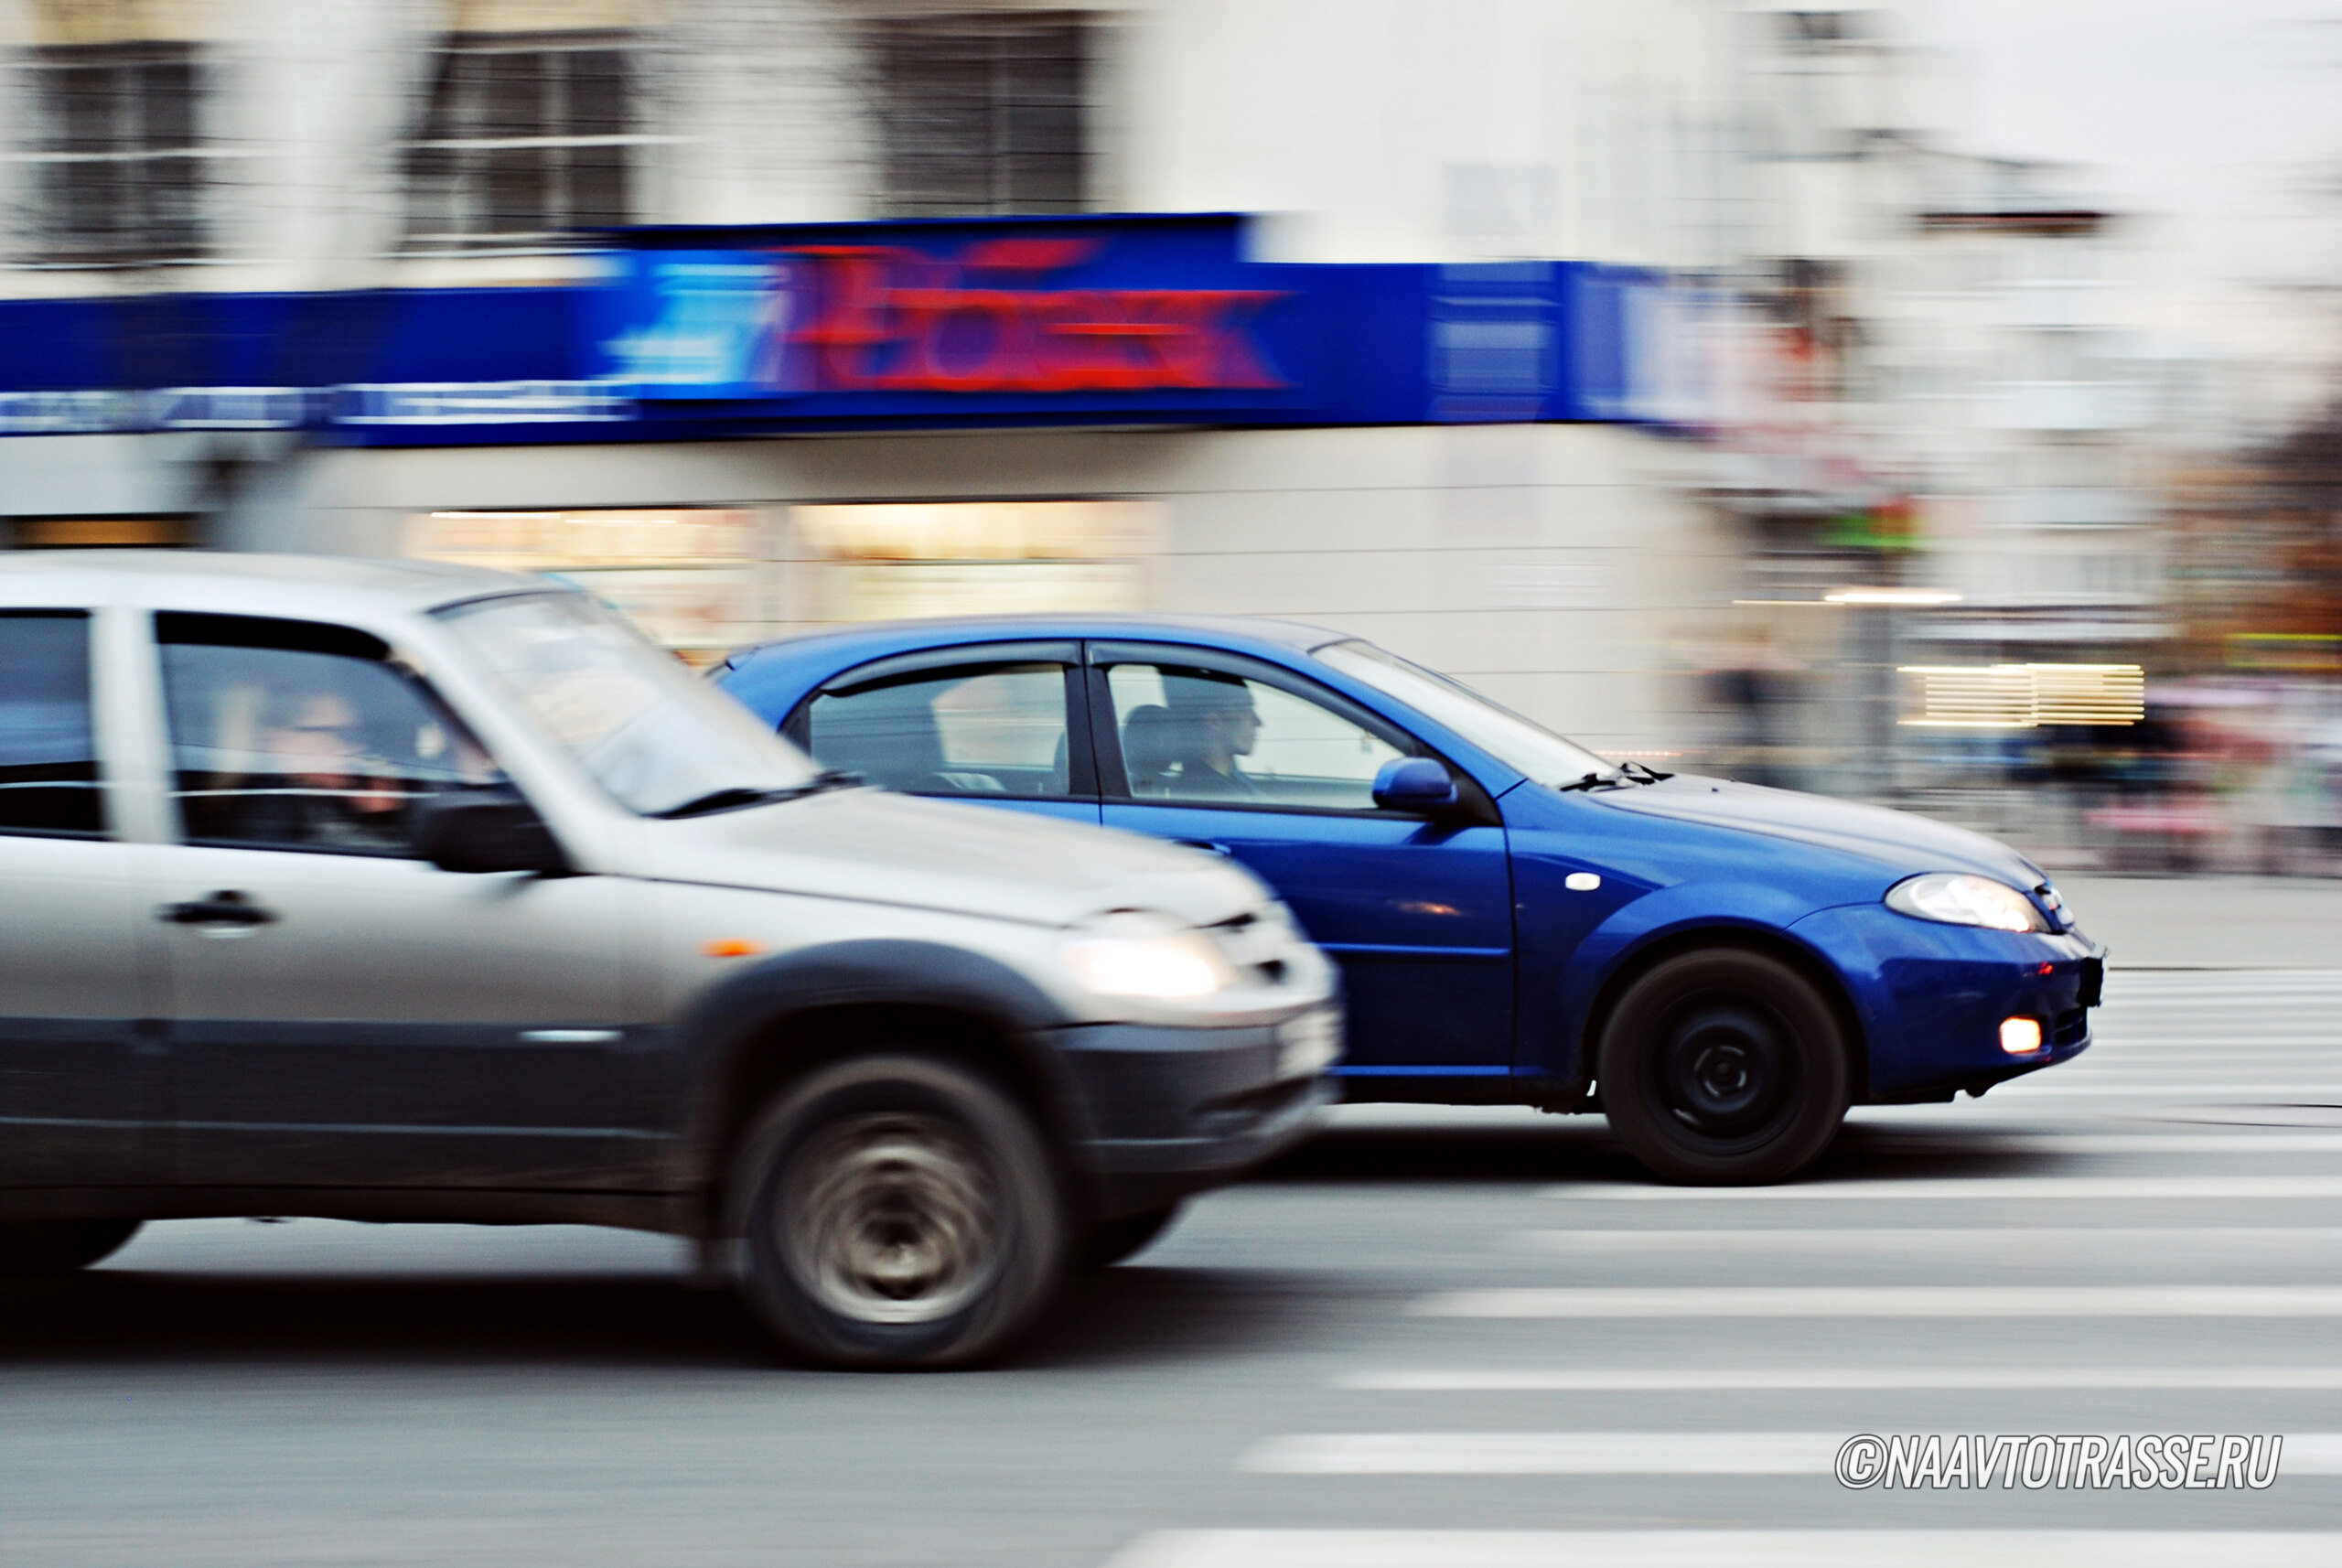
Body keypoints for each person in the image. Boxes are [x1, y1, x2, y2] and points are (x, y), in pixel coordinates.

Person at [1160, 673, 1264, 800]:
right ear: (1214, 723)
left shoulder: (1233, 778)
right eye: (1244, 709)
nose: (1258, 722)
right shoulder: (1209, 796)